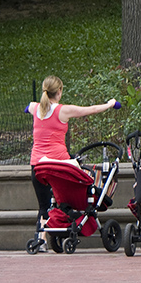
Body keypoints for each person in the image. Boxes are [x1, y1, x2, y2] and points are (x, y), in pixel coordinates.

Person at [27, 75, 118, 252]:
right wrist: (110, 103)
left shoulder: (34, 108)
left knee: (44, 205)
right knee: (65, 198)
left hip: (38, 165)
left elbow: (28, 107)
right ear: (59, 91)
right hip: (59, 165)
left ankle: (41, 239)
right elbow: (90, 110)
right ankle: (73, 221)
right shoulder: (63, 111)